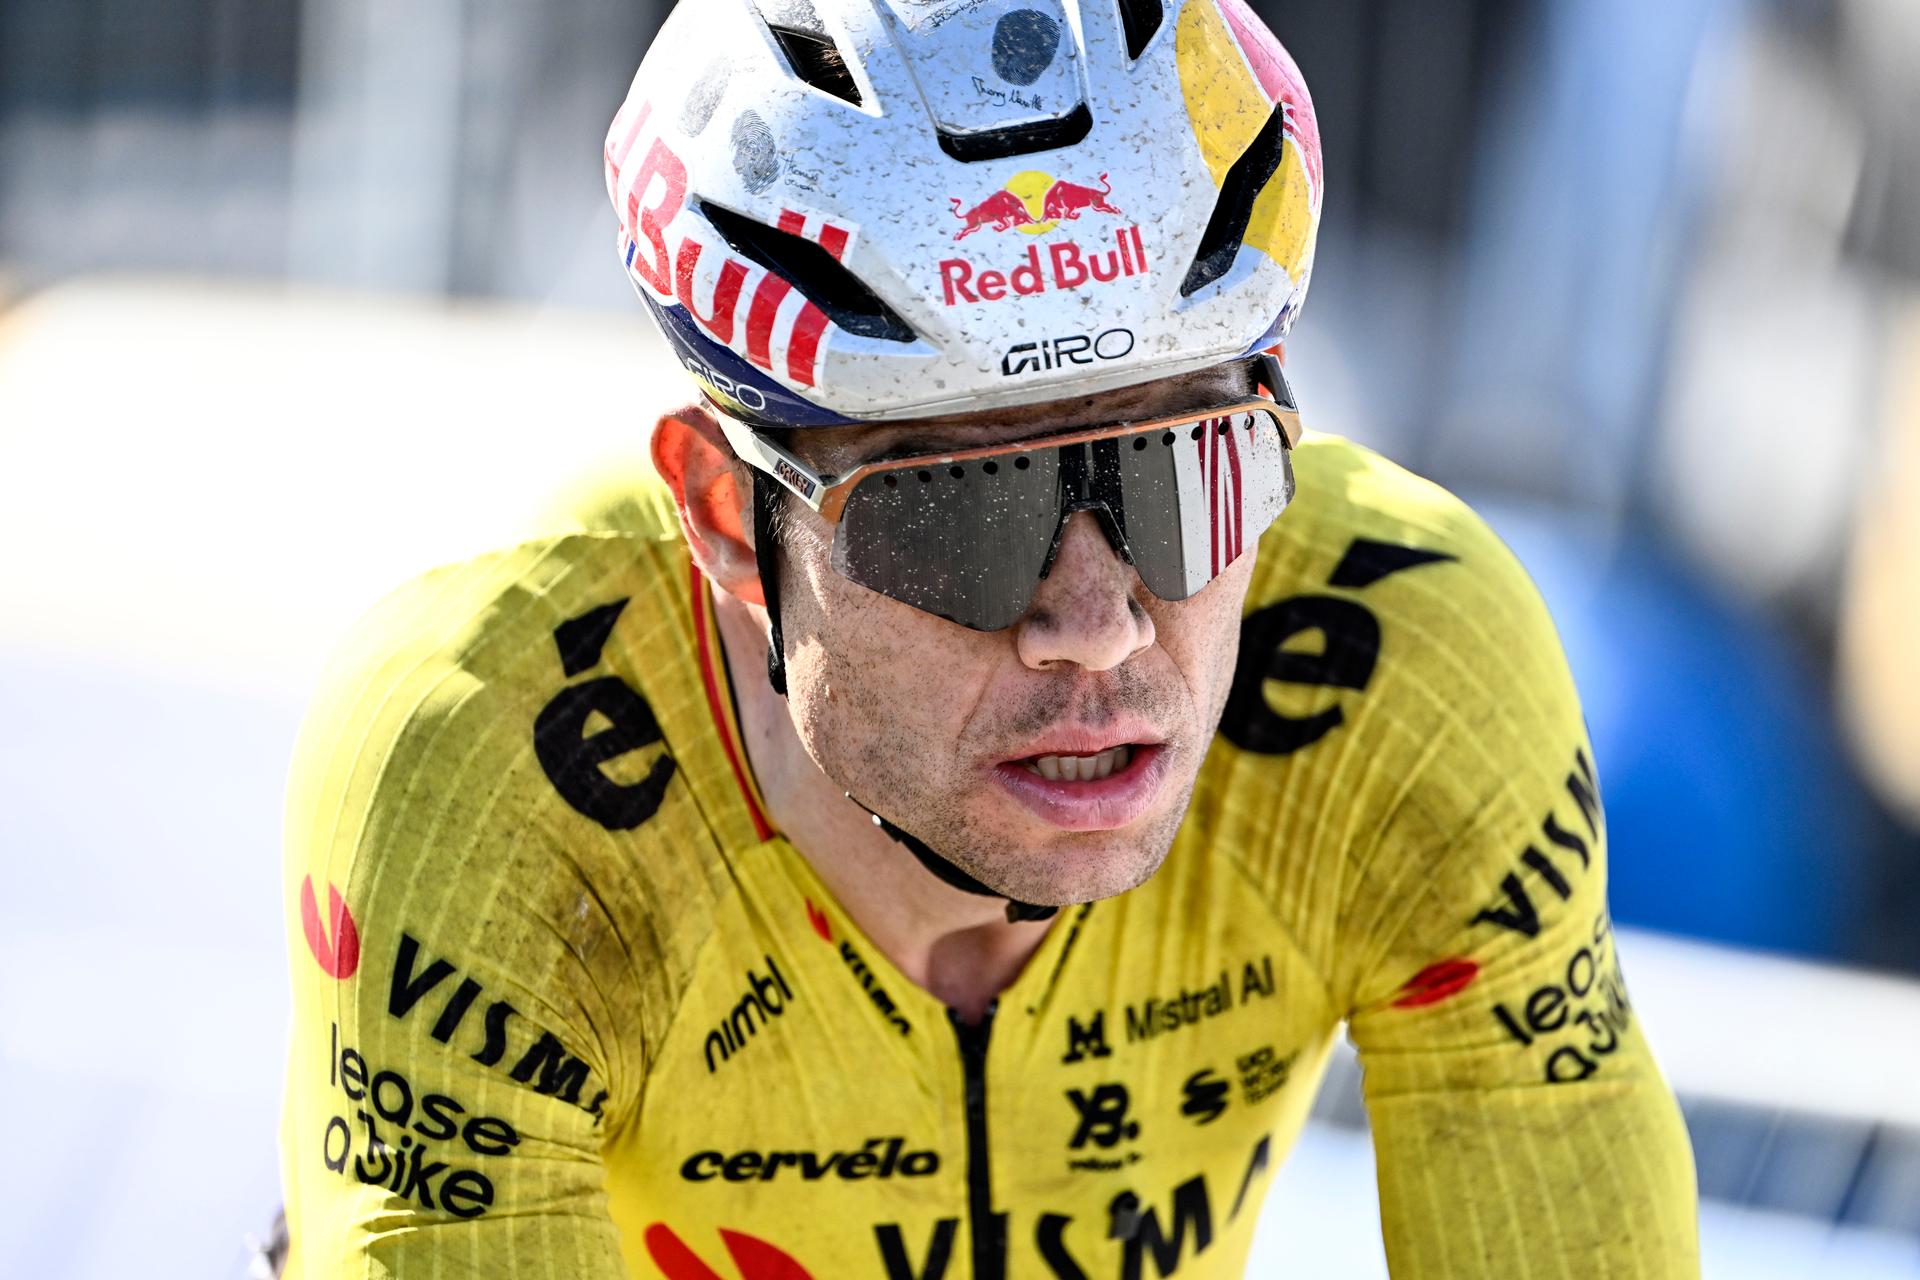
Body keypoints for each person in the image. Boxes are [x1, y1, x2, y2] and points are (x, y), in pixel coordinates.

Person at [277, 1, 1699, 1276]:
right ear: (726, 519)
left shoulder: (1405, 664)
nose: (1094, 628)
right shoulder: (496, 767)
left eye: (1186, 477)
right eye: (961, 516)